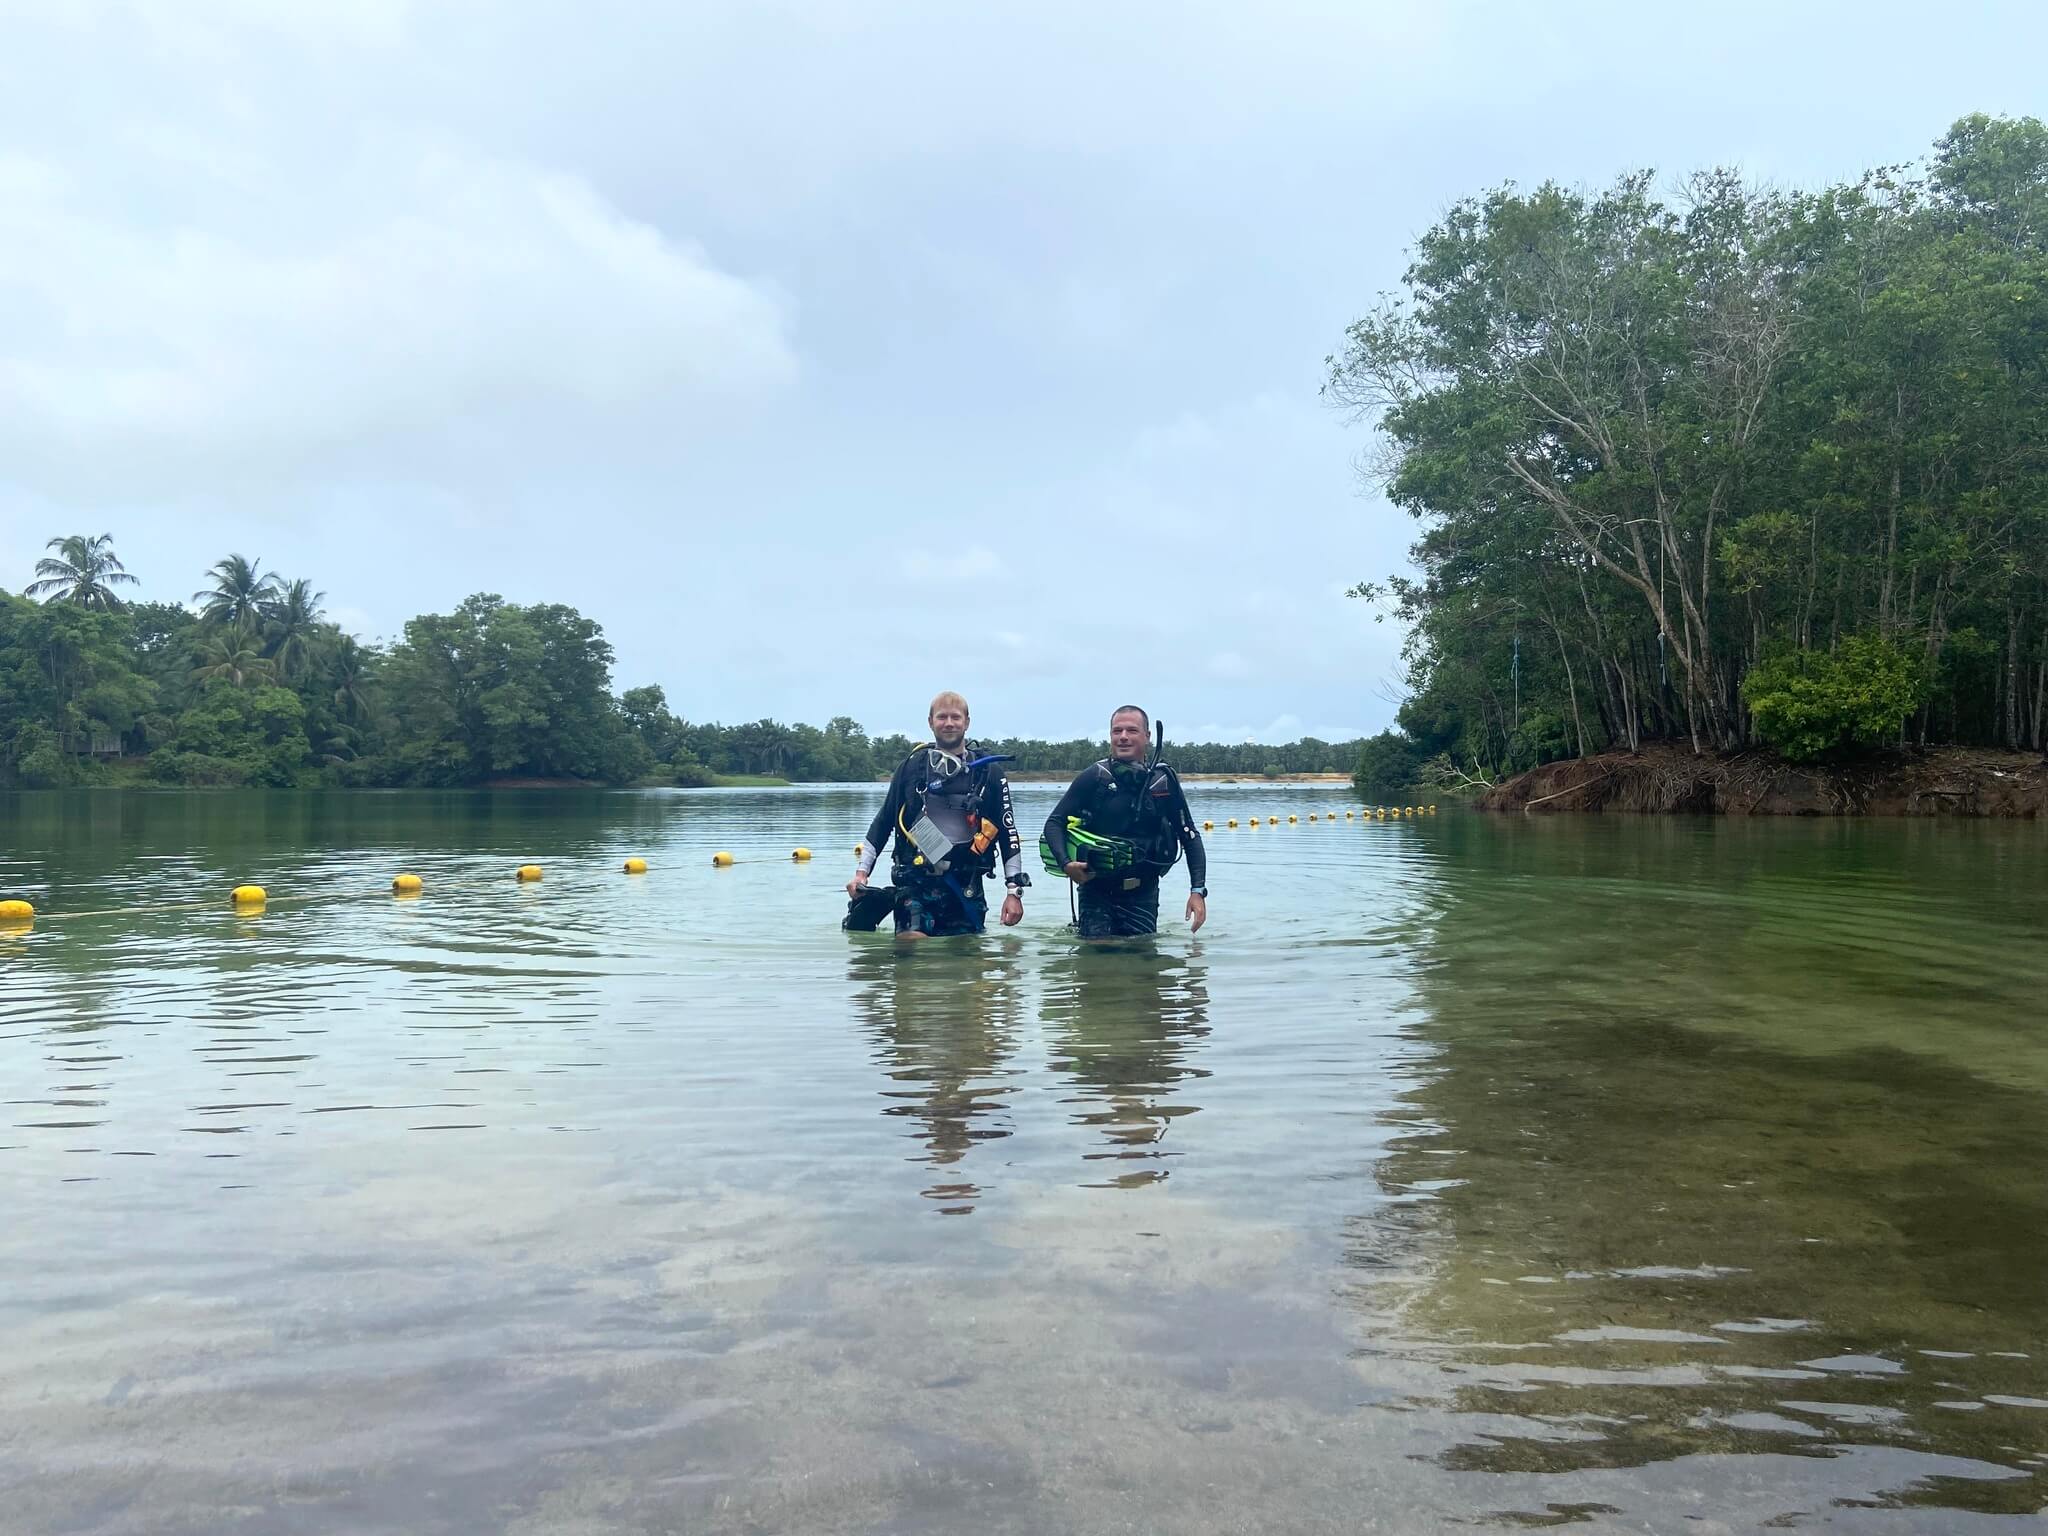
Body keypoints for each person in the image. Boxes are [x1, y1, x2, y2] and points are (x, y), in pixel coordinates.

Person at [847, 691, 1028, 938]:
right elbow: (884, 821)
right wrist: (861, 873)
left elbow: (1008, 833)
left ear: (967, 722)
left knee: (965, 960)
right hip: (916, 879)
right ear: (931, 722)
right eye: (942, 717)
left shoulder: (989, 774)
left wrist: (1013, 892)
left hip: (966, 881)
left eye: (956, 717)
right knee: (911, 942)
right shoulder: (912, 768)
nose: (949, 723)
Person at [1041, 705, 1207, 937]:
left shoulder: (1163, 782)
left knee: (1143, 960)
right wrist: (1067, 864)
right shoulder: (1095, 777)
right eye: (1117, 731)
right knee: (1094, 959)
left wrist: (1197, 891)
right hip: (1096, 891)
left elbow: (1190, 837)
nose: (1123, 737)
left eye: (1132, 730)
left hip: (1143, 892)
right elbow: (1054, 823)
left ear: (1148, 736)